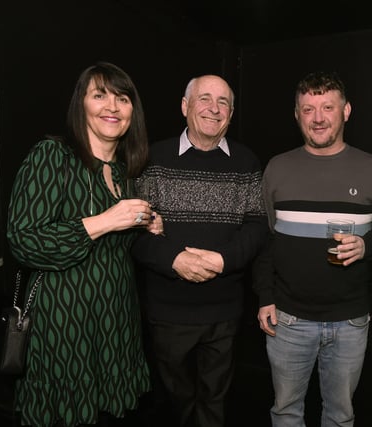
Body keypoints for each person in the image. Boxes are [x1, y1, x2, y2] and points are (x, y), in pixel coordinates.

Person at [6, 61, 164, 427]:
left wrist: (145, 224)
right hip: (65, 320)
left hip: (116, 320)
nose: (112, 107)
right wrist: (107, 220)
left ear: (132, 113)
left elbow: (116, 245)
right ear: (82, 104)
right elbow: (24, 241)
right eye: (100, 95)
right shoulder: (52, 156)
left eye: (122, 99)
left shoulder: (125, 173)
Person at [252, 71, 372, 426]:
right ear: (297, 115)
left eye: (327, 107)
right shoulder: (277, 168)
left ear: (345, 111)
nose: (318, 118)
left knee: (340, 415)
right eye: (308, 109)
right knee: (285, 412)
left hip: (350, 321)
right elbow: (266, 240)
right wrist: (265, 297)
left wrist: (365, 245)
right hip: (288, 320)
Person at [131, 74, 269, 427]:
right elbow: (133, 232)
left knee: (214, 401)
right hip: (167, 309)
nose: (214, 108)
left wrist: (223, 261)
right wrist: (175, 259)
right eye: (205, 98)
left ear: (232, 112)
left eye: (223, 102)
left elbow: (257, 228)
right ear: (185, 106)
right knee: (173, 400)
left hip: (224, 310)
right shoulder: (152, 158)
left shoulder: (247, 161)